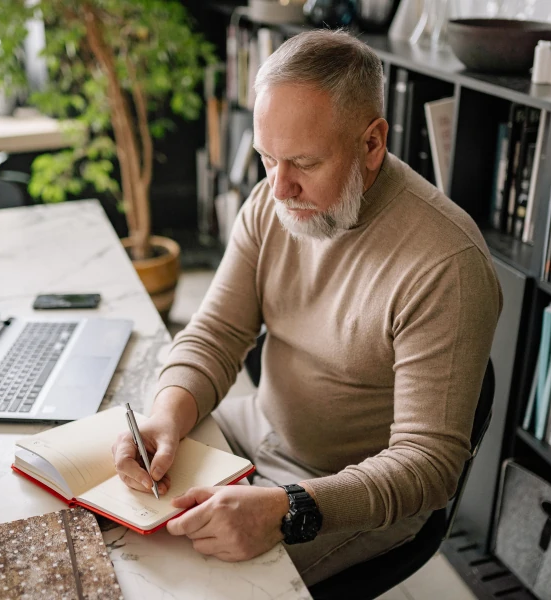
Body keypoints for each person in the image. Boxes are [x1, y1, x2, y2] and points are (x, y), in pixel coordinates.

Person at [112, 29, 502, 586]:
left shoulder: (446, 264)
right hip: (260, 426)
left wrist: (287, 507)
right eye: (267, 158)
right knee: (120, 545)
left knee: (189, 585)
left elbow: (428, 468)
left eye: (302, 162)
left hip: (348, 491)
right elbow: (216, 332)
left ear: (372, 143)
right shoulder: (271, 202)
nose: (278, 188)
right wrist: (165, 420)